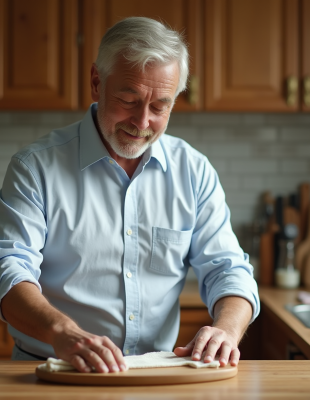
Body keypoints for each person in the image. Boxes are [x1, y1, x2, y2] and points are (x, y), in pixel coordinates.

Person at [0, 17, 259, 373]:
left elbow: (228, 269)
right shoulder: (35, 168)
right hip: (54, 371)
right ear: (96, 83)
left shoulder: (193, 171)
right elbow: (9, 270)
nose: (141, 122)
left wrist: (226, 330)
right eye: (128, 99)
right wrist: (63, 332)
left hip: (158, 373)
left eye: (160, 106)